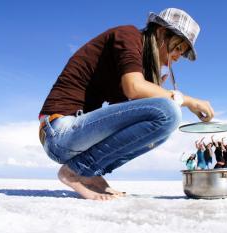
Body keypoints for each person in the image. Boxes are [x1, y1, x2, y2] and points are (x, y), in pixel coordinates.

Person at [38, 8, 214, 200]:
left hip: (74, 138)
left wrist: (154, 93)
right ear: (162, 33)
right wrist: (189, 101)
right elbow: (133, 87)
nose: (178, 56)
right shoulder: (129, 35)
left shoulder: (133, 65)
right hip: (59, 130)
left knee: (162, 129)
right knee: (169, 111)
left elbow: (129, 118)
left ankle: (90, 172)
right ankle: (76, 172)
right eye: (179, 47)